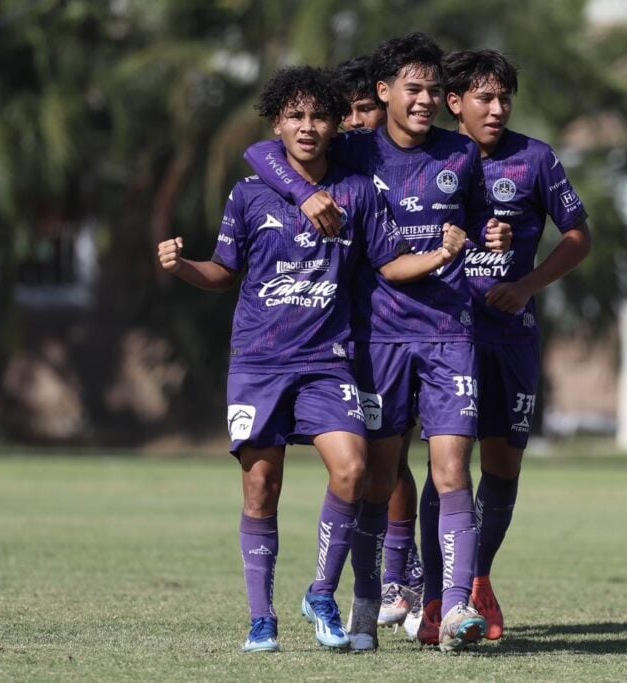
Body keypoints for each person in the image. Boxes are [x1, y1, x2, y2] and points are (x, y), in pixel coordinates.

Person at [157, 65, 466, 654]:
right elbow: (224, 274)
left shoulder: (358, 192)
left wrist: (440, 256)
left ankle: (322, 591)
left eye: (318, 116)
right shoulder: (250, 193)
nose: (307, 126)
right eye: (295, 116)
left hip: (329, 361)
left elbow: (389, 265)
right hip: (259, 363)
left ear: (335, 125)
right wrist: (182, 267)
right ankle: (261, 619)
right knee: (261, 487)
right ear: (278, 123)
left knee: (352, 469)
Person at [243, 33, 512, 653]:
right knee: (376, 480)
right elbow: (265, 152)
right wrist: (307, 193)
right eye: (412, 89)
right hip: (375, 339)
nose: (426, 101)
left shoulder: (462, 155)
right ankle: (365, 609)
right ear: (384, 93)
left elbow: (471, 230)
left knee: (452, 473)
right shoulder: (354, 151)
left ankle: (458, 608)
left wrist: (489, 242)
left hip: (449, 334)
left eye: (432, 91)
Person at [431, 48, 592, 642]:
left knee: (501, 464)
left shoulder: (535, 159)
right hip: (447, 335)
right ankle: (430, 590)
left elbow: (578, 236)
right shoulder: (435, 158)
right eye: (484, 98)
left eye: (504, 99)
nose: (497, 109)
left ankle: (476, 579)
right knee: (447, 465)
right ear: (456, 104)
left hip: (511, 338)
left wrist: (526, 286)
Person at [334, 51, 428, 637]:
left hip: (397, 328)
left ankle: (402, 577)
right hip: (335, 326)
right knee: (367, 459)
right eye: (345, 114)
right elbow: (265, 157)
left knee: (388, 457)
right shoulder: (334, 163)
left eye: (364, 109)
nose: (355, 122)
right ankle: (389, 581)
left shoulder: (405, 161)